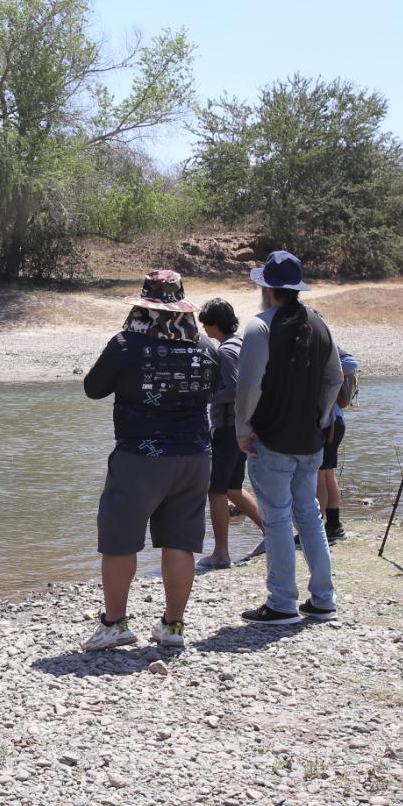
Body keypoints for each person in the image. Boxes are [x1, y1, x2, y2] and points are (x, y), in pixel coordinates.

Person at [80, 270, 219, 651]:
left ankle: (114, 624)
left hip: (141, 456)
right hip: (194, 455)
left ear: (143, 306)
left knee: (120, 542)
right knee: (180, 542)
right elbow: (217, 388)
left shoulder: (127, 344)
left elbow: (93, 389)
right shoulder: (205, 346)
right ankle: (173, 627)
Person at [235, 250, 343, 625]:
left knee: (278, 519)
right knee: (310, 516)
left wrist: (242, 429)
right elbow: (336, 377)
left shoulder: (259, 326)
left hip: (271, 439)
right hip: (310, 439)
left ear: (266, 287)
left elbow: (248, 386)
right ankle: (323, 599)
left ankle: (282, 603)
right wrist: (321, 415)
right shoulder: (319, 323)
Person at [196, 298, 267, 570]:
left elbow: (236, 389)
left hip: (228, 429)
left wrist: (206, 395)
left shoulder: (225, 351)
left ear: (215, 324)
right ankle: (271, 533)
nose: (204, 329)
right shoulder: (240, 343)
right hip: (242, 428)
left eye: (206, 323)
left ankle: (221, 554)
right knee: (233, 489)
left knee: (216, 493)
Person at [318, 346, 360, 544]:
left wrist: (326, 372)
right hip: (333, 423)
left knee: (320, 476)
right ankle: (333, 526)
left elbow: (352, 362)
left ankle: (318, 528)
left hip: (329, 425)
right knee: (326, 474)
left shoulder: (326, 346)